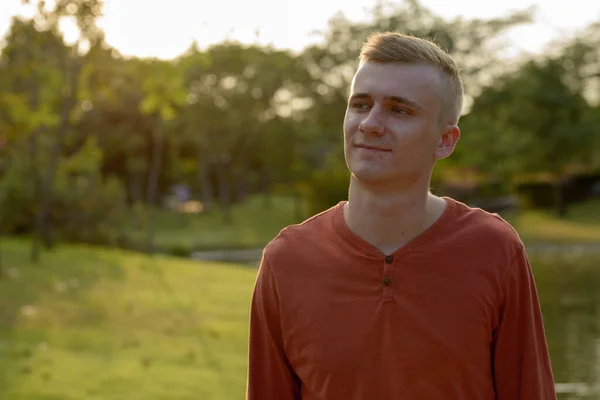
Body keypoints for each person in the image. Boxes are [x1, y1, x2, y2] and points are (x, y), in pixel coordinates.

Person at [246, 31, 557, 399]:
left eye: (399, 110)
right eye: (361, 104)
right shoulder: (287, 261)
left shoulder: (495, 250)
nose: (371, 123)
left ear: (445, 141)